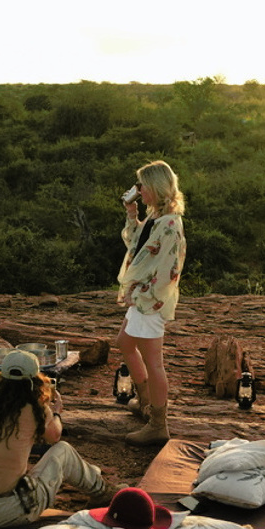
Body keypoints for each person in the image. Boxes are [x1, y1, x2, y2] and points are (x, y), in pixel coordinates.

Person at [0, 349, 109, 528]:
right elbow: (54, 437)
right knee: (63, 450)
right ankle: (102, 491)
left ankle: (93, 478)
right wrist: (56, 412)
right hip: (7, 513)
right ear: (34, 380)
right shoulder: (35, 410)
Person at [116, 160, 187, 446]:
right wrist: (132, 214)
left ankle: (158, 423)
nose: (138, 190)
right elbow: (136, 247)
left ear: (155, 187)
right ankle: (145, 403)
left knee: (154, 363)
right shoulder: (157, 217)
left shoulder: (170, 224)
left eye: (142, 185)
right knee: (124, 342)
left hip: (151, 301)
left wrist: (141, 294)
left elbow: (167, 270)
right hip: (142, 297)